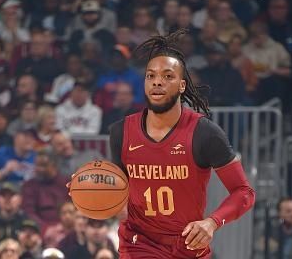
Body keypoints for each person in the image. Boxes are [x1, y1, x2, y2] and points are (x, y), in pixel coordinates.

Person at [70, 29, 255, 258]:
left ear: (182, 85)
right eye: (151, 76)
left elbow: (243, 191)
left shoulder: (204, 133)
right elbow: (118, 190)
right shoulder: (121, 132)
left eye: (168, 76)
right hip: (139, 243)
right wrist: (89, 189)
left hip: (187, 244)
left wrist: (211, 222)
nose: (158, 82)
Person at [21, 149, 69, 231]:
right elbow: (29, 213)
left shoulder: (67, 184)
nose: (39, 169)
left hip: (66, 228)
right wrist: (45, 228)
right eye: (37, 165)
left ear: (54, 165)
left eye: (43, 165)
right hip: (39, 229)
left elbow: (73, 210)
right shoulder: (29, 186)